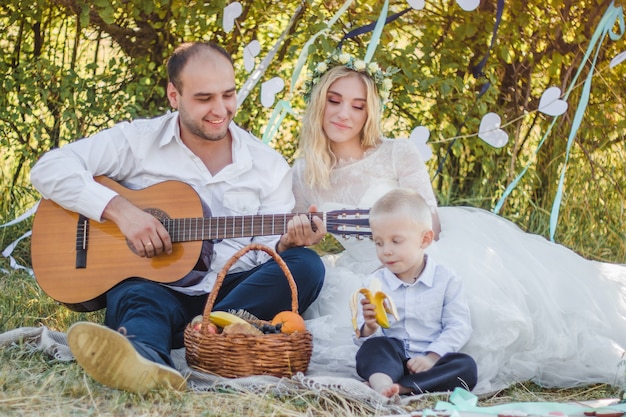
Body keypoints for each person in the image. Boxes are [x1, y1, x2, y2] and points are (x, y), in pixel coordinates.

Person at [292, 52, 626, 394]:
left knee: (479, 323)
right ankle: (393, 378)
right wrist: (300, 238)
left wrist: (399, 241)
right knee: (351, 330)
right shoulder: (304, 173)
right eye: (334, 101)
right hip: (367, 268)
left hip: (423, 252)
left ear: (370, 112)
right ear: (320, 102)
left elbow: (430, 223)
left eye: (358, 106)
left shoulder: (396, 152)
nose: (344, 113)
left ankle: (417, 376)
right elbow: (307, 236)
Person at [29, 41, 326, 394]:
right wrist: (121, 212)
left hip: (232, 296)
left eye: (228, 95)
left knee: (305, 265)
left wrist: (285, 241)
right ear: (174, 95)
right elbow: (49, 169)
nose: (220, 109)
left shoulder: (267, 165)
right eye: (204, 98)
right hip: (155, 287)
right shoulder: (138, 141)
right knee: (138, 296)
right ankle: (148, 358)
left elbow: (263, 252)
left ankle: (182, 337)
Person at [353, 188, 477, 397]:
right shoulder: (374, 282)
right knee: (373, 348)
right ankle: (383, 384)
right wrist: (369, 326)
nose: (386, 251)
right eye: (379, 243)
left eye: (396, 241)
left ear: (425, 239)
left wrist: (432, 357)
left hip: (432, 362)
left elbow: (458, 325)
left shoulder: (446, 279)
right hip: (392, 359)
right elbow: (361, 338)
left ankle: (403, 388)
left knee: (466, 367)